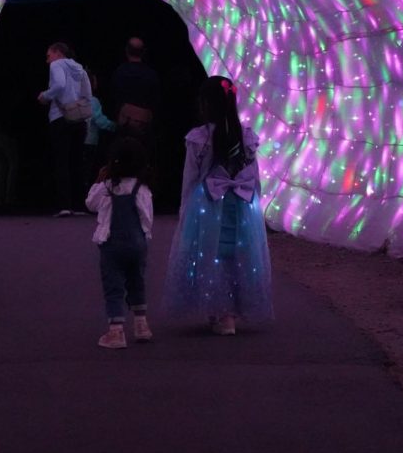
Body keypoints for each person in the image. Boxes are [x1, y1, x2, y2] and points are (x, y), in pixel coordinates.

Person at [163, 75, 272, 335]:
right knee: (237, 254)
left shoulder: (199, 138)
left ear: (205, 104)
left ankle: (220, 311)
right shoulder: (245, 136)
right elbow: (254, 176)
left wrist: (185, 208)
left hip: (208, 203)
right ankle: (229, 312)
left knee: (210, 253)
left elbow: (190, 177)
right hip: (242, 203)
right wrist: (255, 201)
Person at [86, 136, 154, 349]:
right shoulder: (142, 189)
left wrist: (99, 180)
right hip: (137, 244)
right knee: (137, 280)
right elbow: (147, 218)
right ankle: (141, 325)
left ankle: (116, 332)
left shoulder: (106, 187)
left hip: (112, 246)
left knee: (113, 286)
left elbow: (90, 204)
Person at [38, 42, 91, 216]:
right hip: (79, 118)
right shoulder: (80, 68)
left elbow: (59, 85)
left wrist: (45, 95)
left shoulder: (56, 65)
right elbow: (88, 93)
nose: (47, 60)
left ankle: (64, 205)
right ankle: (80, 204)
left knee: (62, 161)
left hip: (60, 117)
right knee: (77, 161)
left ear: (58, 53)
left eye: (48, 55)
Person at [110, 37, 160, 138]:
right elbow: (156, 101)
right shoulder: (151, 74)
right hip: (144, 125)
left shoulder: (120, 72)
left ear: (127, 50)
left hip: (124, 124)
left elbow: (113, 96)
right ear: (143, 52)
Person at [82, 68, 117, 187]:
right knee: (88, 170)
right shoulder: (92, 101)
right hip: (90, 142)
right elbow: (100, 121)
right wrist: (115, 126)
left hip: (77, 140)